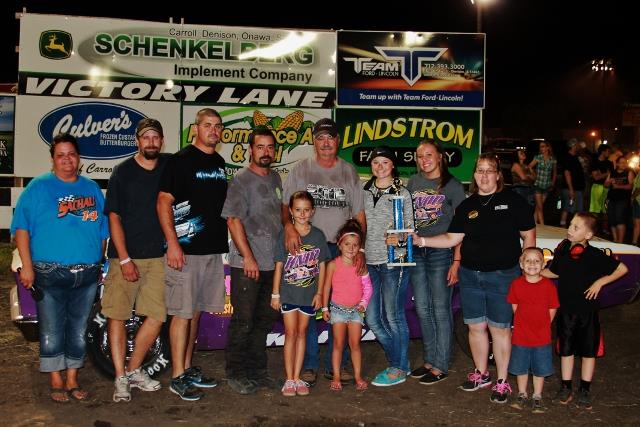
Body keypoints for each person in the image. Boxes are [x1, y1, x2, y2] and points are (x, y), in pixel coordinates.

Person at [413, 153, 536, 404]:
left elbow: (529, 235)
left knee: (500, 329)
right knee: (475, 327)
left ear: (498, 175)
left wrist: (527, 269)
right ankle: (481, 374)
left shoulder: (514, 201)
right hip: (470, 276)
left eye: (490, 170)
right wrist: (421, 240)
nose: (484, 175)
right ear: (475, 175)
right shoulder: (467, 206)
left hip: (503, 276)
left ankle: (502, 381)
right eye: (480, 170)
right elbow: (452, 238)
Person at [11, 133, 109, 403]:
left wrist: (98, 259)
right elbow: (21, 230)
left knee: (78, 329)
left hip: (86, 274)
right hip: (49, 272)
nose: (67, 160)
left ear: (79, 158)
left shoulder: (91, 188)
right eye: (61, 155)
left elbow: (103, 229)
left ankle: (72, 378)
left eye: (72, 154)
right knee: (52, 329)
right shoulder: (38, 188)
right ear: (53, 159)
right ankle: (56, 380)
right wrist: (27, 267)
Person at [282, 118, 366, 386]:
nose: (326, 142)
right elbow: (285, 205)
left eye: (330, 137)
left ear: (338, 140)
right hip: (309, 248)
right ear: (313, 141)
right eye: (320, 138)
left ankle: (336, 365)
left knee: (340, 305)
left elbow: (359, 214)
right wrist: (289, 228)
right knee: (310, 304)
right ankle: (308, 365)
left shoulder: (348, 171)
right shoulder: (301, 169)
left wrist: (360, 249)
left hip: (342, 251)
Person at [157, 108, 227, 401]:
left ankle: (186, 368)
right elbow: (163, 202)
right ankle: (176, 377)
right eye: (207, 125)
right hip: (185, 251)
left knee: (195, 312)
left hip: (211, 250)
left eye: (217, 126)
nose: (213, 130)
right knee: (182, 314)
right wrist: (173, 243)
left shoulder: (219, 163)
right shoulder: (180, 161)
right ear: (195, 129)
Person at [103, 118, 169, 402]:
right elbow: (114, 217)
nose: (151, 142)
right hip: (124, 257)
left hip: (157, 257)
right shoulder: (123, 172)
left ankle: (133, 370)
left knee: (157, 316)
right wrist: (125, 258)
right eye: (146, 137)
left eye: (155, 137)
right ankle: (120, 377)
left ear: (162, 141)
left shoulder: (169, 167)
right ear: (137, 141)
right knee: (117, 315)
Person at [543, 213, 627, 409]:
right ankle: (566, 387)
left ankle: (585, 389)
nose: (570, 229)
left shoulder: (594, 255)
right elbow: (554, 272)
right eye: (570, 225)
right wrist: (534, 271)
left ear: (588, 235)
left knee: (589, 351)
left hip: (587, 312)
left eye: (576, 227)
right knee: (566, 350)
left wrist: (600, 282)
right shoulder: (563, 250)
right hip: (566, 310)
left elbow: (622, 269)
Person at [221, 127, 282, 395]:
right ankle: (236, 373)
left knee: (263, 321)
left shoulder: (276, 178)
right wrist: (248, 257)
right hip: (247, 265)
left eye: (270, 147)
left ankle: (258, 372)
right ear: (250, 150)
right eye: (260, 147)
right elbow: (233, 220)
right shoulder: (241, 180)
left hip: (271, 264)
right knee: (243, 321)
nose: (265, 152)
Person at [407, 140, 465, 386]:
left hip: (442, 252)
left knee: (441, 308)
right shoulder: (413, 182)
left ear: (440, 156)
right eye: (420, 156)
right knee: (422, 307)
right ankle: (430, 360)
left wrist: (457, 261)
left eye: (429, 155)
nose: (424, 160)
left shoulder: (452, 186)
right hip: (417, 251)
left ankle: (441, 364)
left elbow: (462, 227)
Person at [362, 145, 415, 387]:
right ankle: (400, 362)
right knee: (373, 318)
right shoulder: (364, 191)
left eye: (385, 162)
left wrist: (400, 237)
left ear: (393, 165)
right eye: (376, 162)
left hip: (395, 261)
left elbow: (411, 228)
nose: (380, 166)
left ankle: (398, 367)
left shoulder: (402, 192)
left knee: (394, 316)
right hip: (369, 261)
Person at [271, 191, 331, 396]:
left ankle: (297, 377)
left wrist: (320, 293)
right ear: (290, 211)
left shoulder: (318, 236)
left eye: (306, 210)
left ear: (312, 211)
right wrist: (275, 294)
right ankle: (289, 379)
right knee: (290, 334)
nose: (302, 214)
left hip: (308, 295)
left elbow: (322, 266)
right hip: (288, 294)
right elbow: (279, 265)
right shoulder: (285, 235)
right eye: (298, 210)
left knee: (302, 333)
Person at [507, 247, 559, 413]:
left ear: (543, 264)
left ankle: (537, 395)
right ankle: (522, 393)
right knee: (520, 367)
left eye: (537, 261)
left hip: (541, 337)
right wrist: (522, 322)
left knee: (540, 368)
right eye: (528, 261)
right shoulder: (516, 284)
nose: (532, 264)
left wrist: (544, 323)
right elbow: (514, 305)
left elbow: (553, 307)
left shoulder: (549, 286)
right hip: (521, 336)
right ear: (521, 264)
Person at [322, 219, 371, 391]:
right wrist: (325, 308)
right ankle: (336, 377)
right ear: (339, 244)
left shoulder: (361, 265)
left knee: (355, 345)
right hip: (337, 311)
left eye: (355, 245)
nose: (351, 248)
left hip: (356, 311)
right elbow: (326, 287)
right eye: (347, 244)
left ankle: (358, 377)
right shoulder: (333, 265)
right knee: (338, 344)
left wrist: (364, 302)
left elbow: (368, 287)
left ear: (359, 247)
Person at [604, 157, 634, 243]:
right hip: (611, 199)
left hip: (623, 199)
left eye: (625, 162)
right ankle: (615, 239)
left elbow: (631, 186)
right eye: (621, 162)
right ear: (617, 164)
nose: (624, 164)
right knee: (612, 219)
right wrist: (609, 181)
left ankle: (620, 242)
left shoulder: (629, 172)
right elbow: (605, 185)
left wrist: (618, 186)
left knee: (620, 219)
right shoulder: (612, 172)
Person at [529, 140, 557, 224]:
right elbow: (530, 166)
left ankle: (533, 224)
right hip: (538, 184)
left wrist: (553, 183)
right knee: (540, 207)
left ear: (548, 147)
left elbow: (555, 172)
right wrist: (534, 174)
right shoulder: (538, 157)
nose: (541, 148)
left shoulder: (553, 159)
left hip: (547, 185)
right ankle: (543, 225)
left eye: (543, 146)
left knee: (538, 207)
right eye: (540, 147)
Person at [559, 139, 586, 227]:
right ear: (573, 146)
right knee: (567, 208)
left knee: (577, 210)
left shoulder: (575, 157)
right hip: (571, 189)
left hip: (577, 188)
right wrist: (571, 189)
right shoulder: (568, 157)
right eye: (577, 145)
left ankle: (574, 227)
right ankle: (562, 227)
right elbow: (567, 173)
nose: (578, 147)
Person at [589, 144, 613, 233]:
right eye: (608, 151)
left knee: (606, 209)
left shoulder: (609, 163)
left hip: (607, 187)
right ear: (603, 151)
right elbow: (596, 177)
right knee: (595, 209)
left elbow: (610, 177)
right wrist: (606, 174)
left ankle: (605, 229)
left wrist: (601, 174)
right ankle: (593, 229)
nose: (609, 153)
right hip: (596, 187)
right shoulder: (594, 162)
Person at [631, 171, 640, 245]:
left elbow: (638, 188)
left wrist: (632, 197)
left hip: (638, 200)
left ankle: (634, 242)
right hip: (637, 200)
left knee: (637, 223)